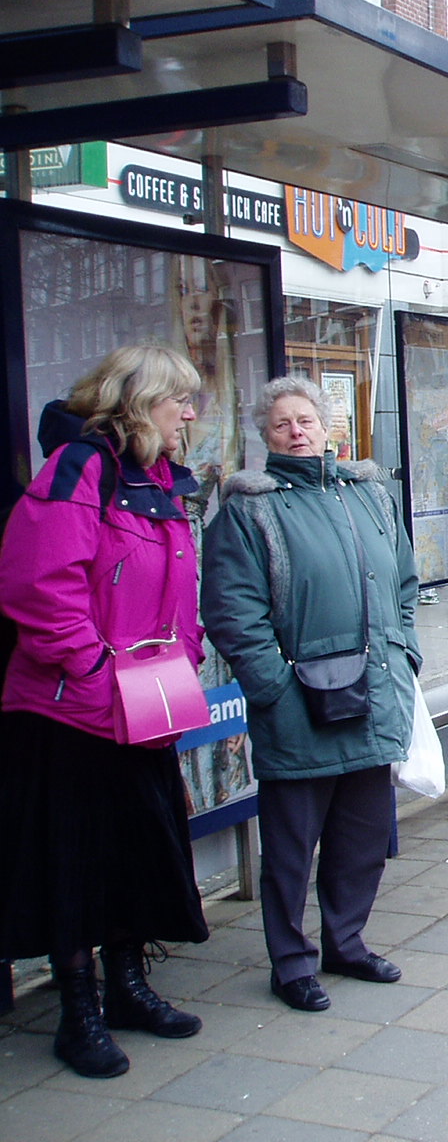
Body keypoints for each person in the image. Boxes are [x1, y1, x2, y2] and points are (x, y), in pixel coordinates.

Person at [0, 347, 209, 1078]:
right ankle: (78, 1013)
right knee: (74, 865)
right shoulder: (79, 469)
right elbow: (40, 589)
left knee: (136, 853)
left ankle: (127, 988)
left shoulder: (157, 478)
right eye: (179, 399)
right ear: (137, 401)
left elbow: (174, 586)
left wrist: (185, 655)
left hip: (144, 700)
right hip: (71, 713)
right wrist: (94, 672)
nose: (190, 414)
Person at [202, 377, 420, 1015]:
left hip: (374, 694)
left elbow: (405, 584)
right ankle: (291, 963)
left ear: (328, 428)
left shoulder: (370, 495)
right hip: (299, 706)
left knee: (363, 837)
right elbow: (233, 613)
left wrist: (405, 652)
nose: (296, 432)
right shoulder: (249, 511)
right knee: (292, 848)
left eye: (306, 420)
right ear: (265, 437)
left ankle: (346, 943)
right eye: (282, 424)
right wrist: (274, 687)